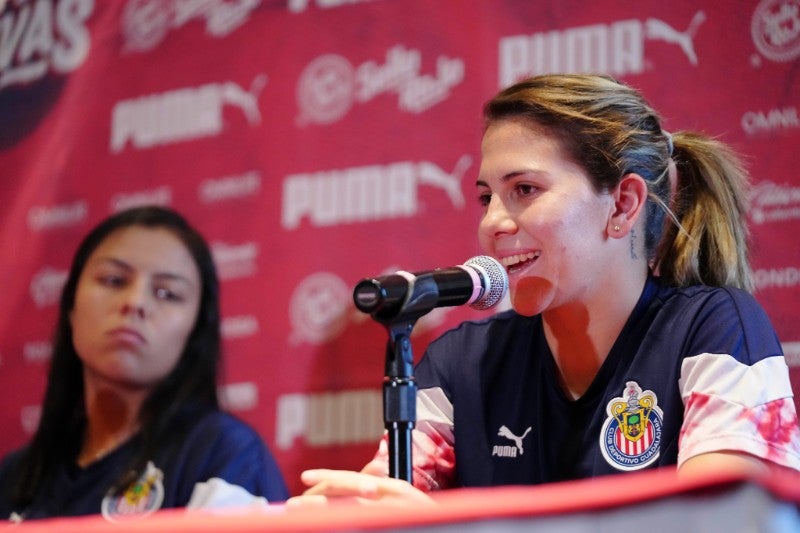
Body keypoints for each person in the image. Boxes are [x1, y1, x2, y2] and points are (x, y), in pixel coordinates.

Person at [289, 74, 800, 505]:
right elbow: (382, 505)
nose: (492, 223)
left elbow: (722, 521)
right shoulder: (461, 363)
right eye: (486, 196)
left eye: (524, 190)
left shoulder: (715, 328)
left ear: (622, 204)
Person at [0, 206, 288, 521]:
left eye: (167, 293)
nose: (135, 302)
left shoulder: (223, 454)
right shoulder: (15, 476)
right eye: (113, 280)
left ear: (195, 330)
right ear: (71, 305)